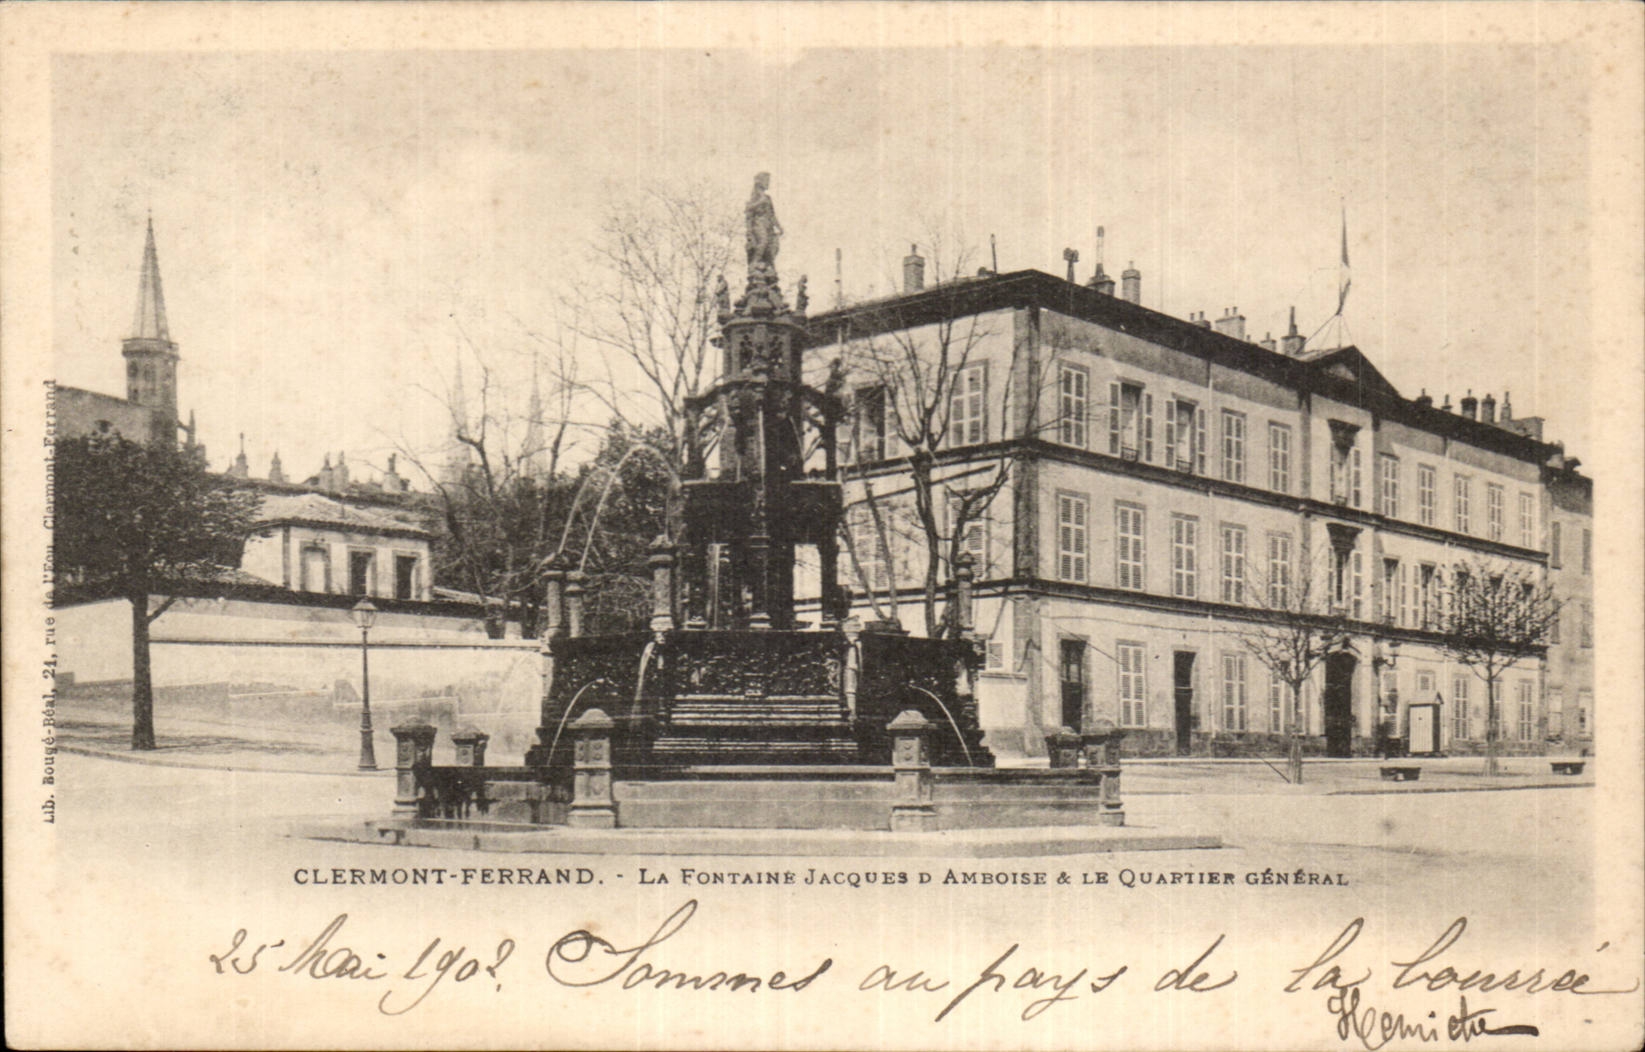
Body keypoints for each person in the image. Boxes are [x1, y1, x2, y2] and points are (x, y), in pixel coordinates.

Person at [746, 172, 781, 272]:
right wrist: (749, 232)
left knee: (772, 245)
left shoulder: (768, 198)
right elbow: (748, 210)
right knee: (763, 241)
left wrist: (779, 227)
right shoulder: (755, 197)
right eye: (766, 180)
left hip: (768, 224)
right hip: (758, 223)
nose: (768, 183)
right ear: (760, 182)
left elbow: (772, 215)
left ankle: (768, 265)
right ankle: (755, 263)